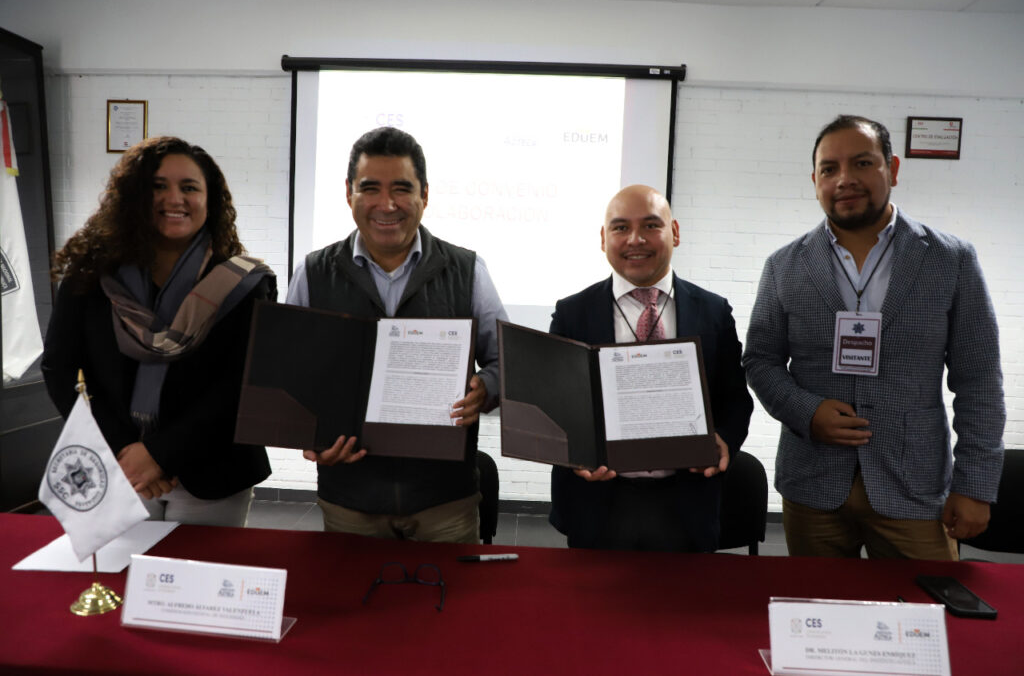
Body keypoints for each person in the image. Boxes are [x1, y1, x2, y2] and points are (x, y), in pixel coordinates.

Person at [743, 115, 1005, 560]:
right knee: (816, 603)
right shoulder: (784, 265)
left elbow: (979, 378)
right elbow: (760, 360)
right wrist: (808, 412)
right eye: (829, 169)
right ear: (815, 181)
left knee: (924, 601)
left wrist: (975, 484)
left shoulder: (951, 260)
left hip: (914, 487)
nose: (844, 179)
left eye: (862, 163)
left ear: (892, 169)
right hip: (813, 486)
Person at [286, 126, 507, 543]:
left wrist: (487, 388)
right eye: (370, 188)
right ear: (349, 193)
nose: (386, 204)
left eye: (402, 189)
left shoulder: (468, 271)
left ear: (425, 195)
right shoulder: (313, 274)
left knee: (449, 589)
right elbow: (290, 376)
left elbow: (505, 363)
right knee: (352, 586)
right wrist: (309, 437)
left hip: (445, 503)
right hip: (349, 500)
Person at [42, 136, 276, 527]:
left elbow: (241, 385)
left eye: (190, 187)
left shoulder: (244, 284)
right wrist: (124, 451)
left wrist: (160, 455)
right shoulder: (90, 276)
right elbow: (59, 369)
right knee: (120, 568)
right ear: (134, 196)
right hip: (119, 465)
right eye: (158, 186)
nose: (175, 198)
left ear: (210, 200)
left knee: (201, 569)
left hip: (213, 470)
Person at [547, 184, 753, 552]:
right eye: (620, 227)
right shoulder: (572, 313)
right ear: (603, 238)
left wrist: (724, 438)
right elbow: (557, 406)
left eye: (650, 225)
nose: (635, 239)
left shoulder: (713, 312)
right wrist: (572, 454)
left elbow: (736, 399)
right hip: (598, 503)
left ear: (674, 232)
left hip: (687, 501)